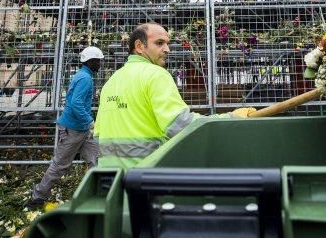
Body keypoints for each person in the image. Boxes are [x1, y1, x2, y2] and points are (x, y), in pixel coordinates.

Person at [94, 22, 255, 169]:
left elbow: (98, 135)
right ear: (139, 46)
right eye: (159, 43)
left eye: (167, 43)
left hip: (110, 181)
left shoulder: (111, 82)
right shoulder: (155, 75)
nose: (167, 49)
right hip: (144, 178)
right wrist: (232, 117)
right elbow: (182, 126)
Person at [28, 46, 103, 209]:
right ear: (91, 62)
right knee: (60, 164)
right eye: (98, 61)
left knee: (96, 160)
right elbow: (76, 103)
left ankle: (97, 193)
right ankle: (37, 197)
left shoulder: (83, 75)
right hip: (73, 129)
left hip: (81, 129)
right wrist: (89, 120)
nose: (100, 65)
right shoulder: (85, 78)